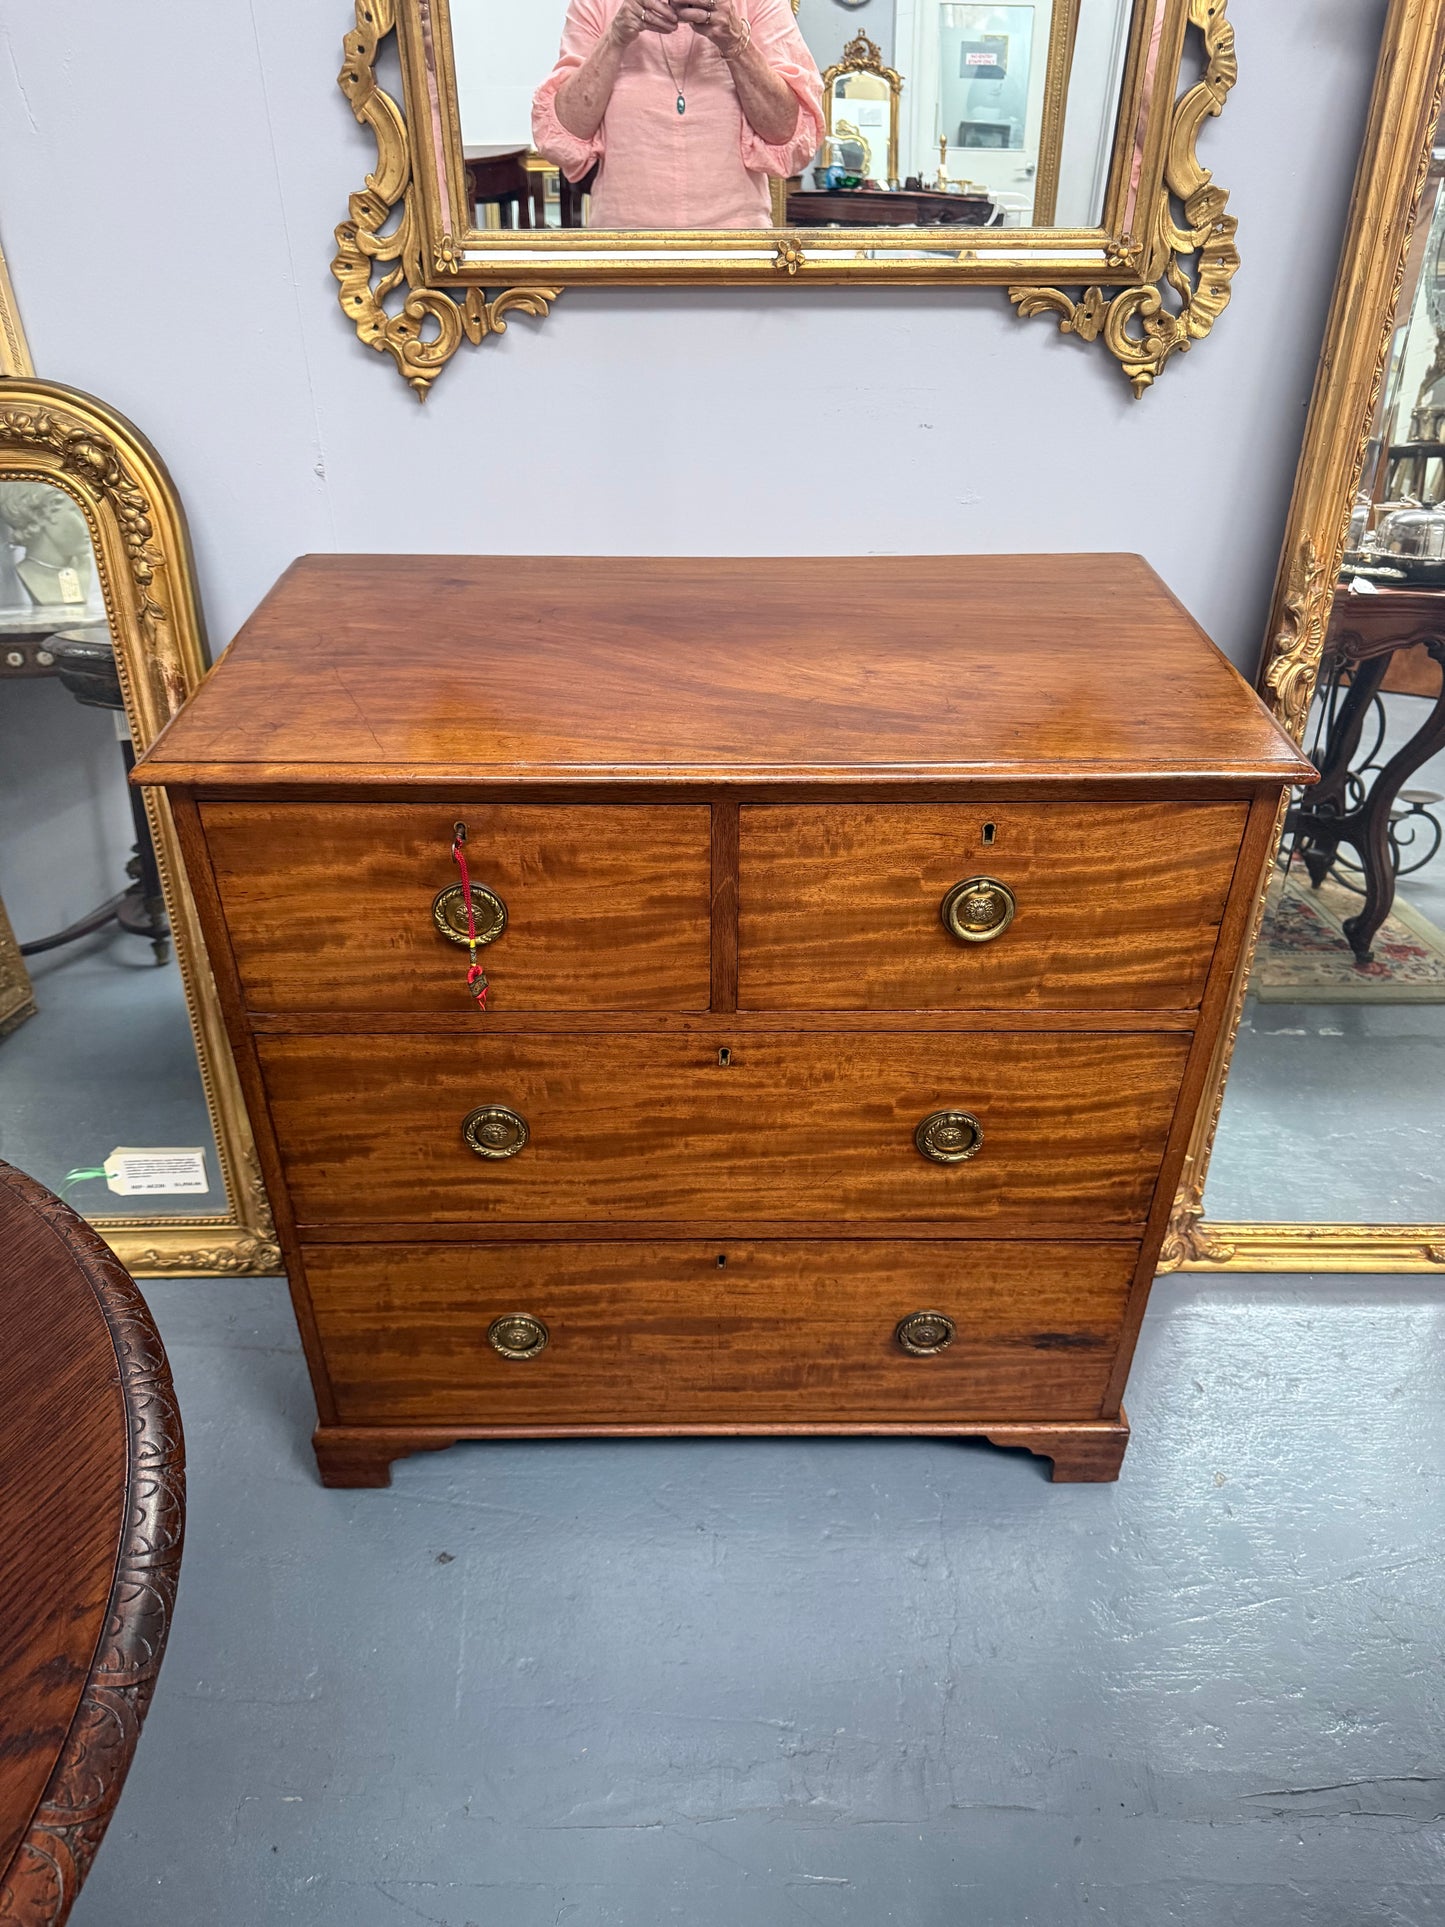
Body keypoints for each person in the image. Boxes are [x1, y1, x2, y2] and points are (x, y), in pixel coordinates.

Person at [533, 0, 823, 231]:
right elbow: (565, 137)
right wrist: (616, 36)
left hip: (736, 248)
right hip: (622, 248)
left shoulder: (760, 4)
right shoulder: (595, 4)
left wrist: (735, 42)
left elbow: (787, 131)